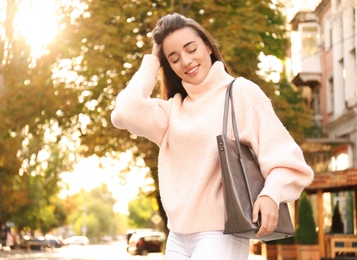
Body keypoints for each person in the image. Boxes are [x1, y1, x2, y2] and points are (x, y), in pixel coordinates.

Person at [111, 13, 314, 260]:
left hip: (221, 233)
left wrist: (272, 193)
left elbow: (287, 159)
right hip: (177, 236)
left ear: (208, 46)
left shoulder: (241, 92)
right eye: (174, 58)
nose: (185, 61)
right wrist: (154, 57)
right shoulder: (173, 110)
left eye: (191, 48)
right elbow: (124, 112)